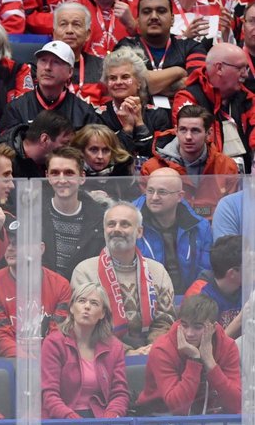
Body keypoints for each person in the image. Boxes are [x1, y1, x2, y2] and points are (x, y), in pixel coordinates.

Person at [71, 201, 175, 353]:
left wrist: (154, 349)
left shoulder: (158, 271)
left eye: (125, 224)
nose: (116, 229)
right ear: (104, 230)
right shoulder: (85, 271)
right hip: (102, 356)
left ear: (139, 232)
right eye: (111, 224)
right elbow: (87, 324)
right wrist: (126, 352)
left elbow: (165, 321)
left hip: (152, 355)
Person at [135, 293, 241, 415]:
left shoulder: (228, 347)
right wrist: (194, 361)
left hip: (211, 416)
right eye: (184, 325)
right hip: (159, 417)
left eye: (197, 327)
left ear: (213, 327)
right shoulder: (162, 349)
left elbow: (236, 404)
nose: (189, 333)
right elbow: (177, 408)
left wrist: (210, 363)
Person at [41, 281, 130, 419]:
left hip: (100, 419)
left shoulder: (115, 347)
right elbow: (49, 394)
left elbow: (120, 393)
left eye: (94, 303)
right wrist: (73, 421)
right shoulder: (53, 343)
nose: (87, 307)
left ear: (102, 313)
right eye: (81, 301)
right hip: (61, 421)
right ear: (71, 308)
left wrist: (110, 418)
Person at [0, 220, 71, 358]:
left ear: (40, 249)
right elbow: (0, 335)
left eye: (19, 243)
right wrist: (28, 362)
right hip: (9, 364)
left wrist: (44, 362)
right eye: (7, 242)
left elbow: (58, 333)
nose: (10, 248)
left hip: (49, 361)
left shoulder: (60, 285)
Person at [141, 104, 239, 219]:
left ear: (209, 133)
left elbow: (233, 213)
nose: (188, 136)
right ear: (176, 131)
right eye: (183, 130)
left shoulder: (226, 167)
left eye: (195, 131)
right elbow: (147, 214)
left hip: (215, 231)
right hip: (169, 232)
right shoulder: (152, 169)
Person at [172, 42, 255, 171]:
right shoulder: (189, 97)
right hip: (206, 177)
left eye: (246, 68)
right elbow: (193, 141)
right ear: (219, 68)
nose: (245, 74)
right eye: (240, 68)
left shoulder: (247, 98)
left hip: (244, 176)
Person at [116, 0, 207, 98]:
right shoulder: (126, 46)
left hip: (182, 112)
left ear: (172, 19)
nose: (154, 16)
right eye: (147, 12)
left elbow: (198, 84)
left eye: (161, 11)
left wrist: (148, 84)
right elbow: (124, 85)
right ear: (138, 20)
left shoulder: (191, 46)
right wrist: (178, 71)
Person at [0, 41, 99, 137]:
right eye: (43, 60)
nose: (47, 67)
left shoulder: (84, 113)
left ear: (70, 72)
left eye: (56, 62)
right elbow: (5, 147)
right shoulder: (16, 108)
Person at [135, 168, 212, 294]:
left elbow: (205, 271)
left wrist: (191, 302)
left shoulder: (200, 227)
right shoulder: (130, 222)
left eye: (162, 192)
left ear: (179, 196)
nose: (154, 197)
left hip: (189, 300)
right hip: (145, 298)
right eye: (150, 191)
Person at [42, 146, 110, 279]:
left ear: (82, 177)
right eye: (55, 173)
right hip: (45, 292)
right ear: (47, 177)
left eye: (69, 173)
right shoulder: (34, 214)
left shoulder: (100, 218)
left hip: (84, 293)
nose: (62, 180)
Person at [98, 46, 173, 159]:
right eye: (112, 78)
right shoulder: (98, 116)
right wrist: (127, 129)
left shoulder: (158, 114)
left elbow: (160, 157)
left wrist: (139, 124)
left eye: (125, 77)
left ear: (139, 82)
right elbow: (105, 159)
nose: (118, 82)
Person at [185, 234, 242, 337]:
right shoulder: (199, 295)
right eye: (251, 264)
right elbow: (200, 346)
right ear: (232, 273)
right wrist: (240, 319)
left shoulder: (247, 286)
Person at [52, 1, 105, 104]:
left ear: (88, 34)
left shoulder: (102, 68)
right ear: (54, 34)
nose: (69, 30)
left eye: (76, 24)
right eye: (63, 24)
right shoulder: (40, 67)